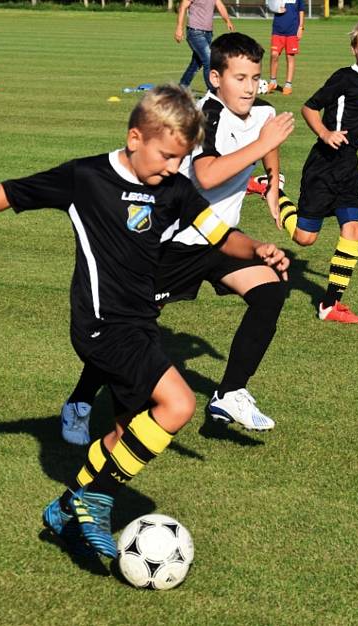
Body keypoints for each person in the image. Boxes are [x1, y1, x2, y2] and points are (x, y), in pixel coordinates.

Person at [0, 85, 288, 557]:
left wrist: (256, 249)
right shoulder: (86, 178)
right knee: (178, 405)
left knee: (122, 437)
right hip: (101, 324)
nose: (174, 167)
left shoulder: (173, 187)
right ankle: (97, 499)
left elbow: (219, 235)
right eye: (168, 156)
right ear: (135, 137)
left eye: (180, 158)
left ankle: (66, 509)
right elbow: (11, 192)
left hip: (141, 322)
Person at [61, 33, 294, 446]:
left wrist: (273, 181)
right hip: (175, 243)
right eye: (239, 77)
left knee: (271, 289)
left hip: (222, 241)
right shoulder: (206, 115)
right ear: (215, 77)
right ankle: (80, 401)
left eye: (255, 78)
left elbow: (267, 137)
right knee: (129, 327)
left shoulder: (261, 112)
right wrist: (263, 144)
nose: (248, 86)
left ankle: (229, 393)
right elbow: (206, 175)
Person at [288, 16, 358, 324]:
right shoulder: (344, 78)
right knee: (304, 238)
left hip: (348, 167)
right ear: (354, 48)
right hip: (324, 164)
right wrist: (325, 133)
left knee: (354, 228)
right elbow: (309, 107)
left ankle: (329, 304)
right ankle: (270, 192)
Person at [175, 0, 235, 93]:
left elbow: (220, 5)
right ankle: (212, 91)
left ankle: (182, 87)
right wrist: (179, 28)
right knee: (209, 59)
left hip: (208, 33)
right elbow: (183, 6)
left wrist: (227, 21)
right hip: (194, 32)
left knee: (196, 63)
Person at [265, 0, 305, 95]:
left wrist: (301, 27)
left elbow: (301, 11)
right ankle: (273, 82)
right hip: (277, 30)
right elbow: (270, 5)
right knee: (274, 54)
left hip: (292, 31)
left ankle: (288, 85)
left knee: (290, 57)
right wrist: (276, 9)